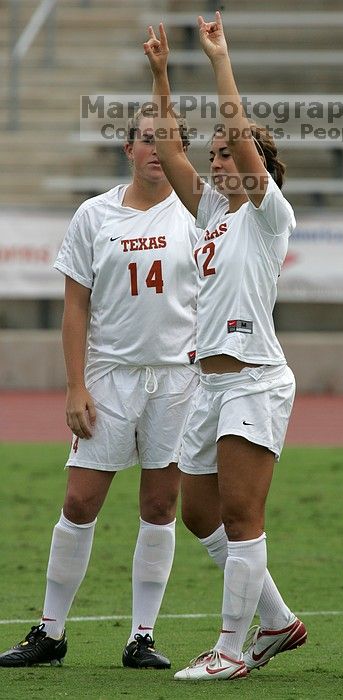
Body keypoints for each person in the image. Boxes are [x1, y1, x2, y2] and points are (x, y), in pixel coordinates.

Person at [0, 106, 199, 669]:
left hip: (176, 379)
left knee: (160, 505)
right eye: (146, 140)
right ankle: (50, 631)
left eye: (169, 141)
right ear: (128, 150)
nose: (157, 150)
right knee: (79, 501)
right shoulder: (94, 216)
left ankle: (142, 637)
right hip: (110, 376)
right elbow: (75, 305)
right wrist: (74, 386)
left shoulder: (196, 213)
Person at [144, 13, 307, 681]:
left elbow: (238, 134)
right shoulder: (212, 214)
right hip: (208, 385)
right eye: (215, 155)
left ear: (258, 167)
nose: (219, 160)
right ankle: (277, 622)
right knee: (200, 514)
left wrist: (218, 60)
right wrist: (159, 75)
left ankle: (232, 650)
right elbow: (172, 149)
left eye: (230, 154)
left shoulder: (270, 217)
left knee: (242, 515)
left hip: (253, 380)